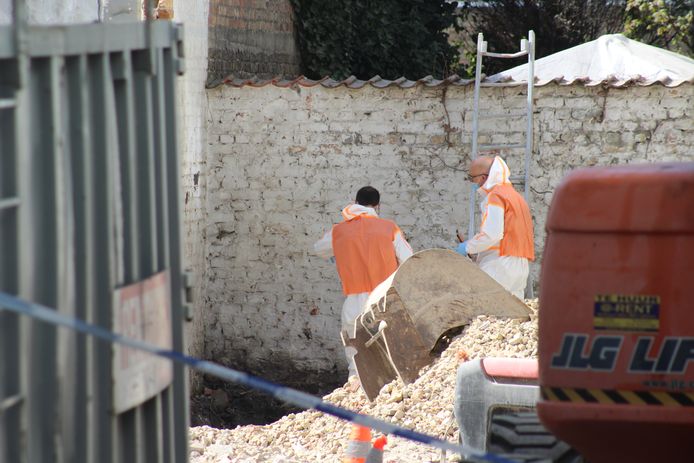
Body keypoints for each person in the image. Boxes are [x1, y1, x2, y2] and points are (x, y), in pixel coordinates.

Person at [314, 186, 413, 380]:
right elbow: (409, 258)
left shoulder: (339, 230)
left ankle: (355, 390)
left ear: (355, 202)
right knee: (389, 350)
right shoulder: (389, 227)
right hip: (385, 299)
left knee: (356, 354)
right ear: (377, 206)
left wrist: (340, 252)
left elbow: (319, 249)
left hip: (354, 301)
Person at [456, 155, 534, 299]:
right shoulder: (515, 196)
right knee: (512, 317)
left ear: (484, 178)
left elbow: (492, 234)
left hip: (499, 265)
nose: (472, 182)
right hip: (519, 266)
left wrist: (467, 247)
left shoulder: (495, 197)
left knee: (489, 315)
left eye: (472, 178)